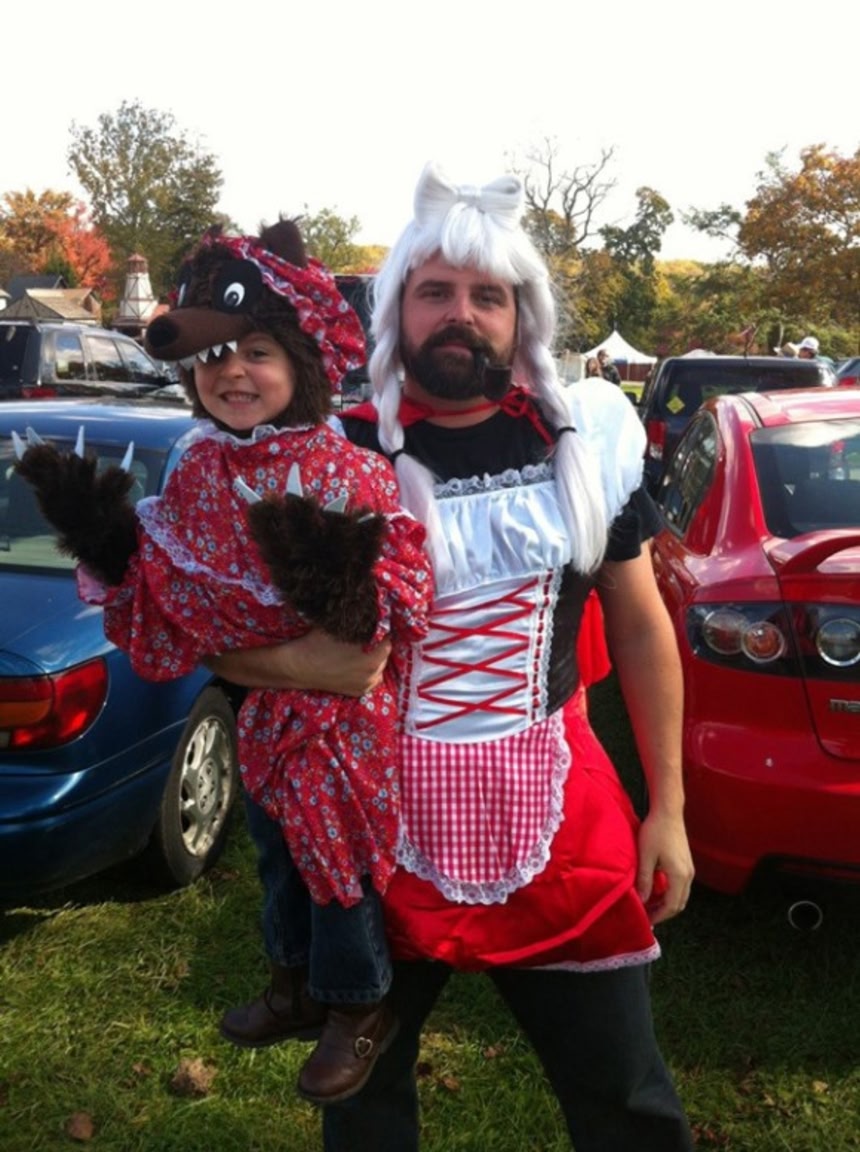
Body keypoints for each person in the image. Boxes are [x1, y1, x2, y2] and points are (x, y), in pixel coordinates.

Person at [210, 162, 696, 1150]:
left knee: (625, 1100)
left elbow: (641, 624)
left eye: (487, 294)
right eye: (434, 291)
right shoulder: (330, 451)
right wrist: (310, 668)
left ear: (522, 317)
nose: (460, 314)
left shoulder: (582, 442)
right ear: (398, 309)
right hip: (370, 831)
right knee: (364, 1112)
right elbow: (217, 637)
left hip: (558, 820)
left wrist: (669, 809)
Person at [13, 218, 433, 1106]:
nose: (231, 372)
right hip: (262, 716)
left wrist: (330, 590)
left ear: (304, 362)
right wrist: (112, 547)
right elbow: (170, 578)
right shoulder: (200, 465)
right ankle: (290, 981)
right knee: (275, 850)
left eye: (256, 353)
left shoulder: (346, 467)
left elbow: (388, 604)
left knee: (337, 865)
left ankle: (359, 1005)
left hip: (341, 724)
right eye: (211, 359)